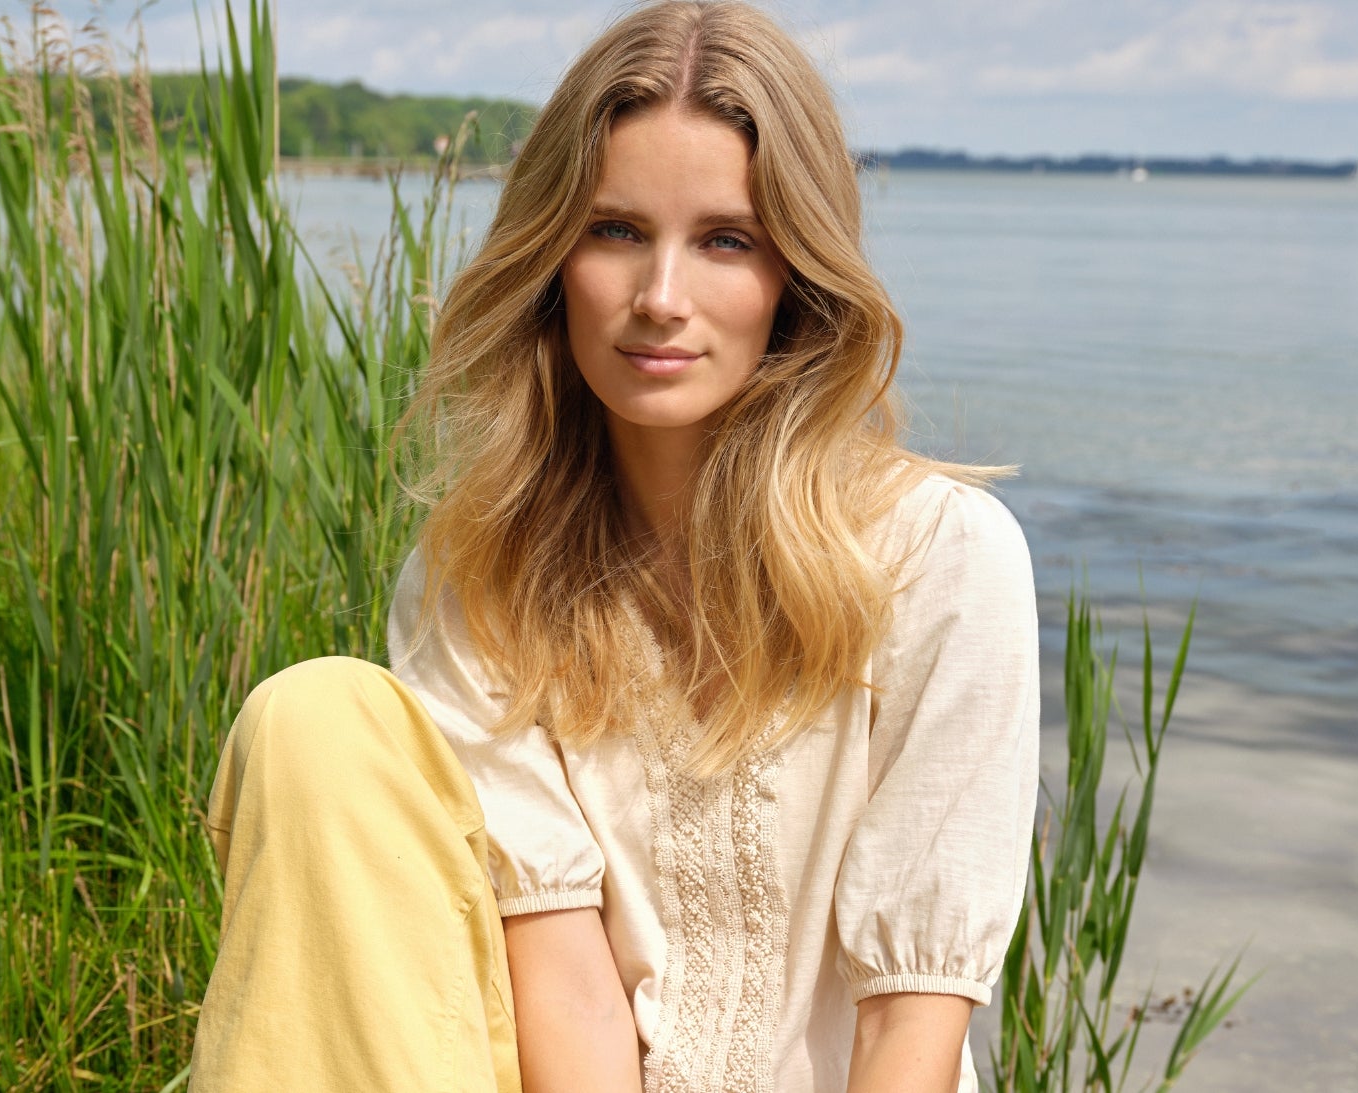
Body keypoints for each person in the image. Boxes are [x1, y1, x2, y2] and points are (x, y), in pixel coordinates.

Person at [190, 3, 1038, 1091]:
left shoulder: (940, 558)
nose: (661, 300)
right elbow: (568, 989)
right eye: (616, 231)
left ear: (796, 273)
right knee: (315, 716)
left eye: (726, 240)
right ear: (552, 254)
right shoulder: (481, 573)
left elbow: (910, 1021)